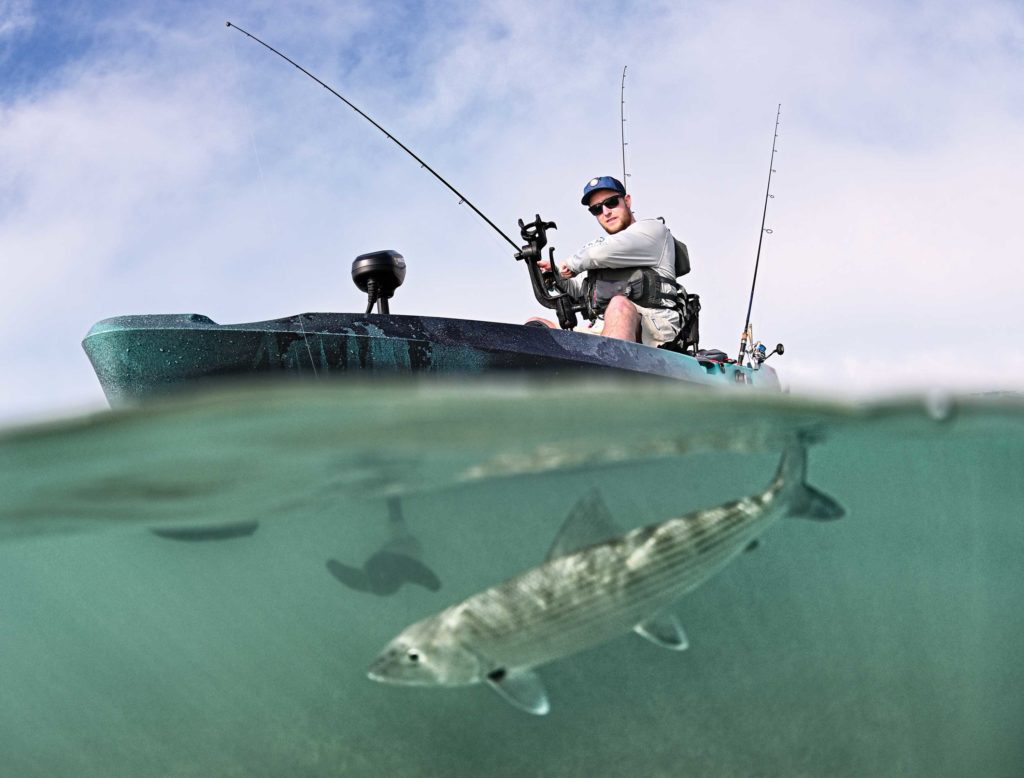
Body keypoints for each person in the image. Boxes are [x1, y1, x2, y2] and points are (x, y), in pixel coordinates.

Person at [536, 176, 684, 347]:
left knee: (618, 305)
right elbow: (580, 291)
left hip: (654, 330)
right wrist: (555, 274)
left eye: (612, 202)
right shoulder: (603, 251)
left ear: (627, 201)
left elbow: (599, 254)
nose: (606, 212)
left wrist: (569, 264)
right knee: (537, 328)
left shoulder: (653, 231)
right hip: (603, 328)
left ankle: (608, 370)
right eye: (597, 209)